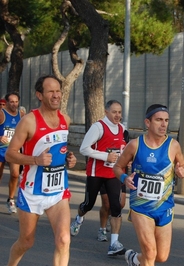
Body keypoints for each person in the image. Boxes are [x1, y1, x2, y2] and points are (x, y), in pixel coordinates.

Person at [5, 74, 77, 266]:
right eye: (51, 91)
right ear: (40, 95)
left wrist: (69, 157)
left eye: (58, 91)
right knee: (26, 241)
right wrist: (35, 159)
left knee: (63, 240)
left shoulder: (66, 120)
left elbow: (59, 148)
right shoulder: (29, 121)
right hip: (31, 191)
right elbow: (10, 154)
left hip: (58, 191)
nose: (56, 95)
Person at [113, 104, 184, 266]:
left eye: (166, 120)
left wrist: (182, 171)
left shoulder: (173, 145)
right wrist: (125, 177)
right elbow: (117, 167)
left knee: (161, 256)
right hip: (141, 206)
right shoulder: (135, 144)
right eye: (159, 120)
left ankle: (134, 258)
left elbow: (183, 165)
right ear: (148, 122)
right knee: (150, 252)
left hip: (164, 206)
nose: (163, 124)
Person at [70, 100, 127, 255]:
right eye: (114, 112)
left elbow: (122, 149)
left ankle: (114, 244)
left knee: (116, 206)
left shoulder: (122, 128)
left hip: (113, 174)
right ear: (106, 112)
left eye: (119, 112)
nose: (117, 115)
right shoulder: (98, 127)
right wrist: (105, 156)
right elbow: (84, 149)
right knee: (88, 204)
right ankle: (78, 219)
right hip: (96, 173)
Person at [0, 92, 25, 213]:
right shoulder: (1, 113)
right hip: (0, 149)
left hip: (14, 149)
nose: (14, 104)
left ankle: (11, 200)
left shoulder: (21, 114)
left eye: (16, 102)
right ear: (6, 102)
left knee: (15, 174)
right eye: (11, 102)